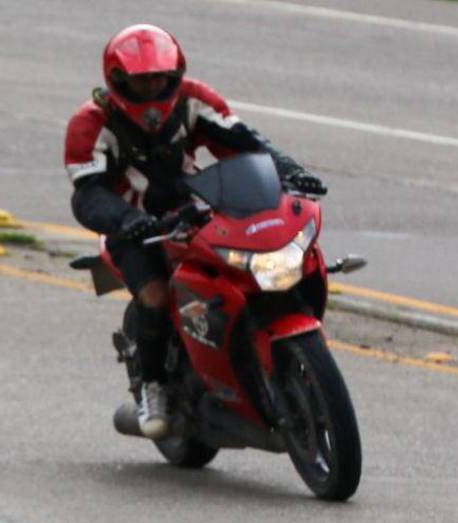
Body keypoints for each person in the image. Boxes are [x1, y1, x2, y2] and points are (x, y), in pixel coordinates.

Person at [64, 24, 327, 439]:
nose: (152, 89)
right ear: (117, 81)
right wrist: (127, 221)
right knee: (155, 295)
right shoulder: (91, 123)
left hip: (195, 209)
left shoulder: (193, 100)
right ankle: (153, 388)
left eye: (159, 79)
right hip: (135, 228)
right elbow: (88, 194)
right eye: (141, 81)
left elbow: (247, 145)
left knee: (248, 266)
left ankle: (251, 353)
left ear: (175, 74)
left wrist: (292, 171)